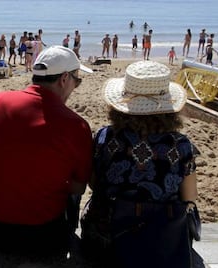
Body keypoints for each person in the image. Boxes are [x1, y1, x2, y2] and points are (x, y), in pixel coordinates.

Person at [0, 46, 93, 253]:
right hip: (43, 236)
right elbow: (78, 187)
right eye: (77, 80)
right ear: (64, 79)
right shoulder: (76, 126)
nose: (76, 86)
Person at [80, 60, 199, 257]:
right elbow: (189, 197)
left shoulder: (105, 137)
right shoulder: (181, 145)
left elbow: (94, 183)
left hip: (106, 237)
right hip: (160, 240)